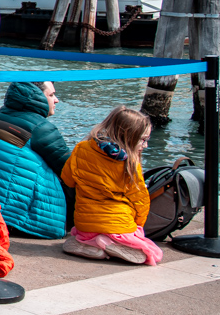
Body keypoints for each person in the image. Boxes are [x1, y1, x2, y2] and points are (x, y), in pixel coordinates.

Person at [60, 107, 161, 265]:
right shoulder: (130, 163)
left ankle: (90, 243)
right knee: (153, 252)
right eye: (142, 139)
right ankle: (109, 243)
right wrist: (138, 225)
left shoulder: (81, 148)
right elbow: (140, 199)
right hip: (119, 225)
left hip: (85, 223)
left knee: (83, 234)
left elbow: (68, 180)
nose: (145, 145)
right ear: (129, 137)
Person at [0, 81, 71, 239]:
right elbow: (70, 168)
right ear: (37, 98)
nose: (56, 100)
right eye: (51, 95)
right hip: (19, 218)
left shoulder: (0, 116)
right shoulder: (42, 128)